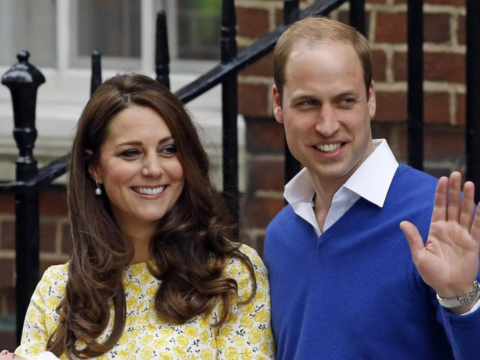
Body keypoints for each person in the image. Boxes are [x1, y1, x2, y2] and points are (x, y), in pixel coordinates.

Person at [2, 74, 274, 360]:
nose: (153, 169)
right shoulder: (57, 291)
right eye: (131, 153)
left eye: (169, 150)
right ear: (94, 167)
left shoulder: (230, 275)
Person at [264, 16, 480, 360]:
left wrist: (463, 300)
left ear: (371, 98)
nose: (327, 124)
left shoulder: (437, 221)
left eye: (345, 101)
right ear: (278, 103)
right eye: (308, 103)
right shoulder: (280, 236)